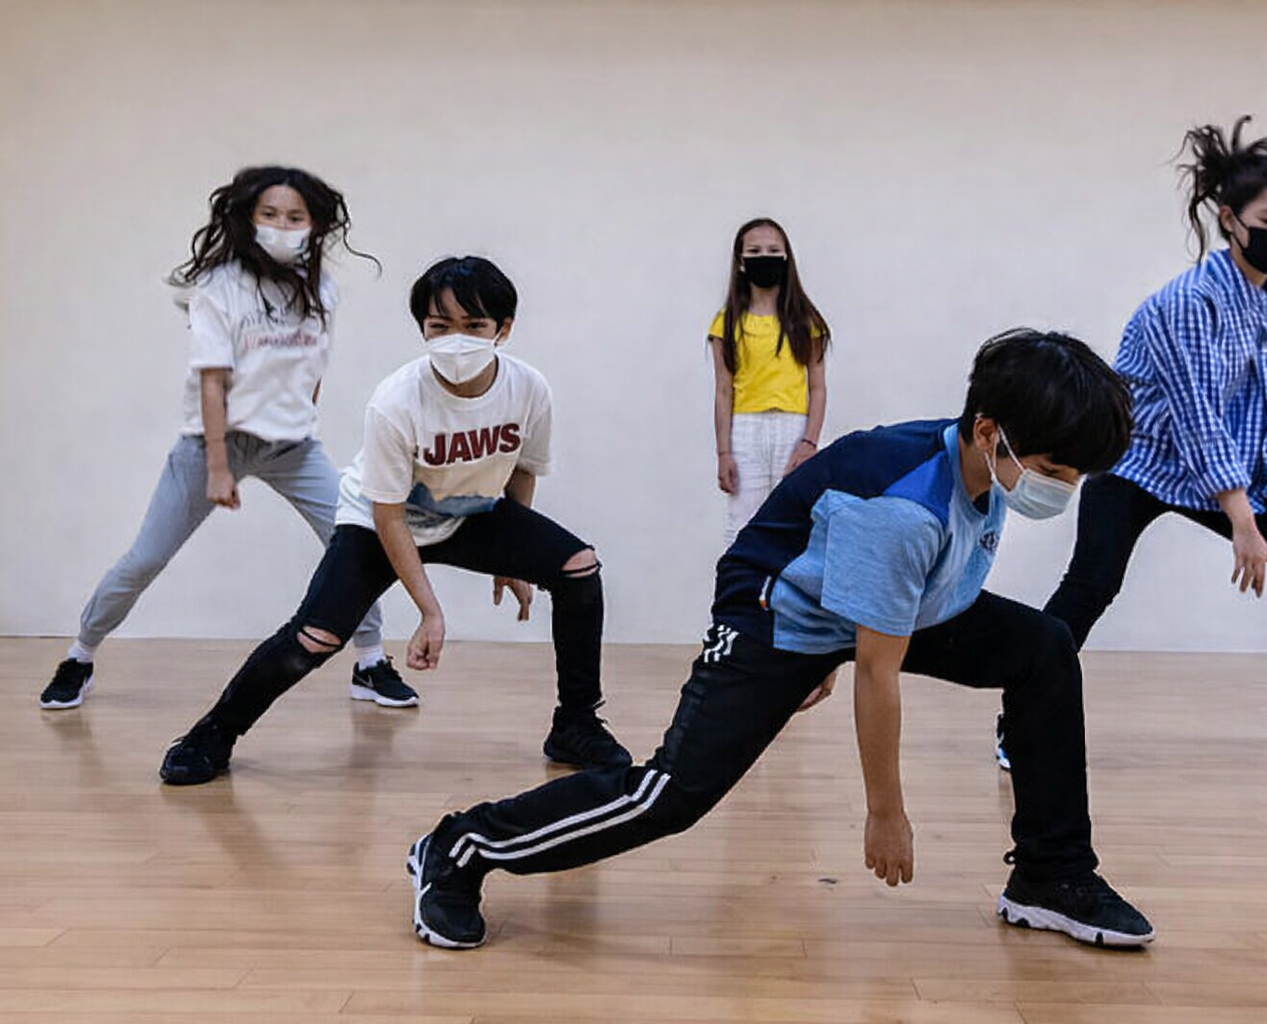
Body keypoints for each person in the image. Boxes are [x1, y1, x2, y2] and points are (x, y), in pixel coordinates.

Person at [407, 329, 1156, 952]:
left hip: (872, 599)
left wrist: (846, 626)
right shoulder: (905, 510)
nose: (1062, 488)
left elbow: (901, 604)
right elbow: (877, 672)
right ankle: (460, 848)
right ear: (990, 432)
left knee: (1044, 647)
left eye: (1076, 475)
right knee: (669, 795)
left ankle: (1051, 874)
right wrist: (885, 810)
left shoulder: (979, 459)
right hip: (774, 612)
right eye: (1054, 471)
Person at [1007, 117, 1267, 766]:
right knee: (1092, 583)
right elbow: (1199, 415)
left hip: (1218, 466)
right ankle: (1021, 721)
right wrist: (1242, 518)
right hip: (1135, 462)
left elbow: (1249, 409)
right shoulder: (1188, 302)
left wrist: (1255, 492)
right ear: (1229, 219)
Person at [157, 256, 632, 785]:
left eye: (474, 325)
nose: (457, 339)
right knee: (315, 636)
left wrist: (513, 557)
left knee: (579, 568)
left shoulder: (529, 388)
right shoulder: (396, 399)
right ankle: (213, 732)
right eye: (440, 326)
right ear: (423, 331)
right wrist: (429, 611)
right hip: (379, 521)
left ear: (504, 328)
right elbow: (387, 514)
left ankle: (576, 724)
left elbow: (522, 470)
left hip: (470, 512)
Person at [40, 166, 415, 711]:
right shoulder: (219, 287)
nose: (282, 225)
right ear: (247, 218)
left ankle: (371, 660)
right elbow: (211, 380)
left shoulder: (322, 291)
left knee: (354, 538)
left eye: (294, 217)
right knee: (146, 557)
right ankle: (80, 654)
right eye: (269, 215)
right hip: (213, 442)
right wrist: (218, 466)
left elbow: (312, 369)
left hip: (292, 447)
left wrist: (300, 423)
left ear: (312, 225)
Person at [709, 217, 830, 545]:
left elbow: (817, 387)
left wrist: (809, 442)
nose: (765, 256)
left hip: (794, 427)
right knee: (743, 524)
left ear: (787, 257)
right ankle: (739, 595)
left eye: (774, 250)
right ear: (741, 262)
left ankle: (785, 597)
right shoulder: (726, 322)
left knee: (796, 521)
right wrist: (723, 452)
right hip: (744, 429)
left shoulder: (806, 320)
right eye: (755, 250)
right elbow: (723, 390)